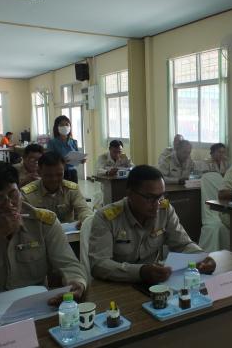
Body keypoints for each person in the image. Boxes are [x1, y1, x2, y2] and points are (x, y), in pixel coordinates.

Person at [0, 159, 86, 307]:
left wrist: (76, 282)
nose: (9, 204)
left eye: (13, 194)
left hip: (35, 310)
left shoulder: (43, 222)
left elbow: (69, 264)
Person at [88, 165, 216, 284]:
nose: (157, 204)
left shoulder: (165, 210)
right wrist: (140, 272)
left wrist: (201, 257)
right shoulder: (107, 217)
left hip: (155, 282)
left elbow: (183, 244)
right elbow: (99, 264)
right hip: (115, 285)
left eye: (161, 196)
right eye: (149, 198)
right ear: (130, 194)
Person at [21, 152, 93, 228]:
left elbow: (84, 209)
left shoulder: (71, 189)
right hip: (40, 236)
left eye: (59, 174)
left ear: (64, 170)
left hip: (69, 236)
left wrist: (86, 221)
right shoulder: (27, 194)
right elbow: (23, 221)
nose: (54, 179)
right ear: (39, 172)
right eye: (49, 175)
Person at [47, 115, 86, 183]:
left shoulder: (73, 142)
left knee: (73, 192)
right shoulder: (52, 142)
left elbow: (76, 157)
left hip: (73, 172)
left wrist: (81, 160)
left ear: (70, 127)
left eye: (67, 124)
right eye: (61, 125)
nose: (64, 126)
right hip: (59, 173)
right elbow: (49, 160)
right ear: (57, 127)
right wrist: (62, 161)